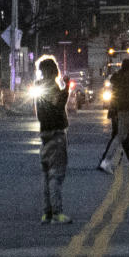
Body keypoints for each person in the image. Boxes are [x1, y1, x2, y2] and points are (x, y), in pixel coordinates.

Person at [35, 55, 73, 224]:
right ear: (53, 71)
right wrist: (66, 89)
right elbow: (58, 105)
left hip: (44, 133)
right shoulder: (51, 86)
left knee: (46, 175)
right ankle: (57, 212)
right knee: (56, 176)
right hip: (56, 133)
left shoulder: (39, 87)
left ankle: (47, 213)